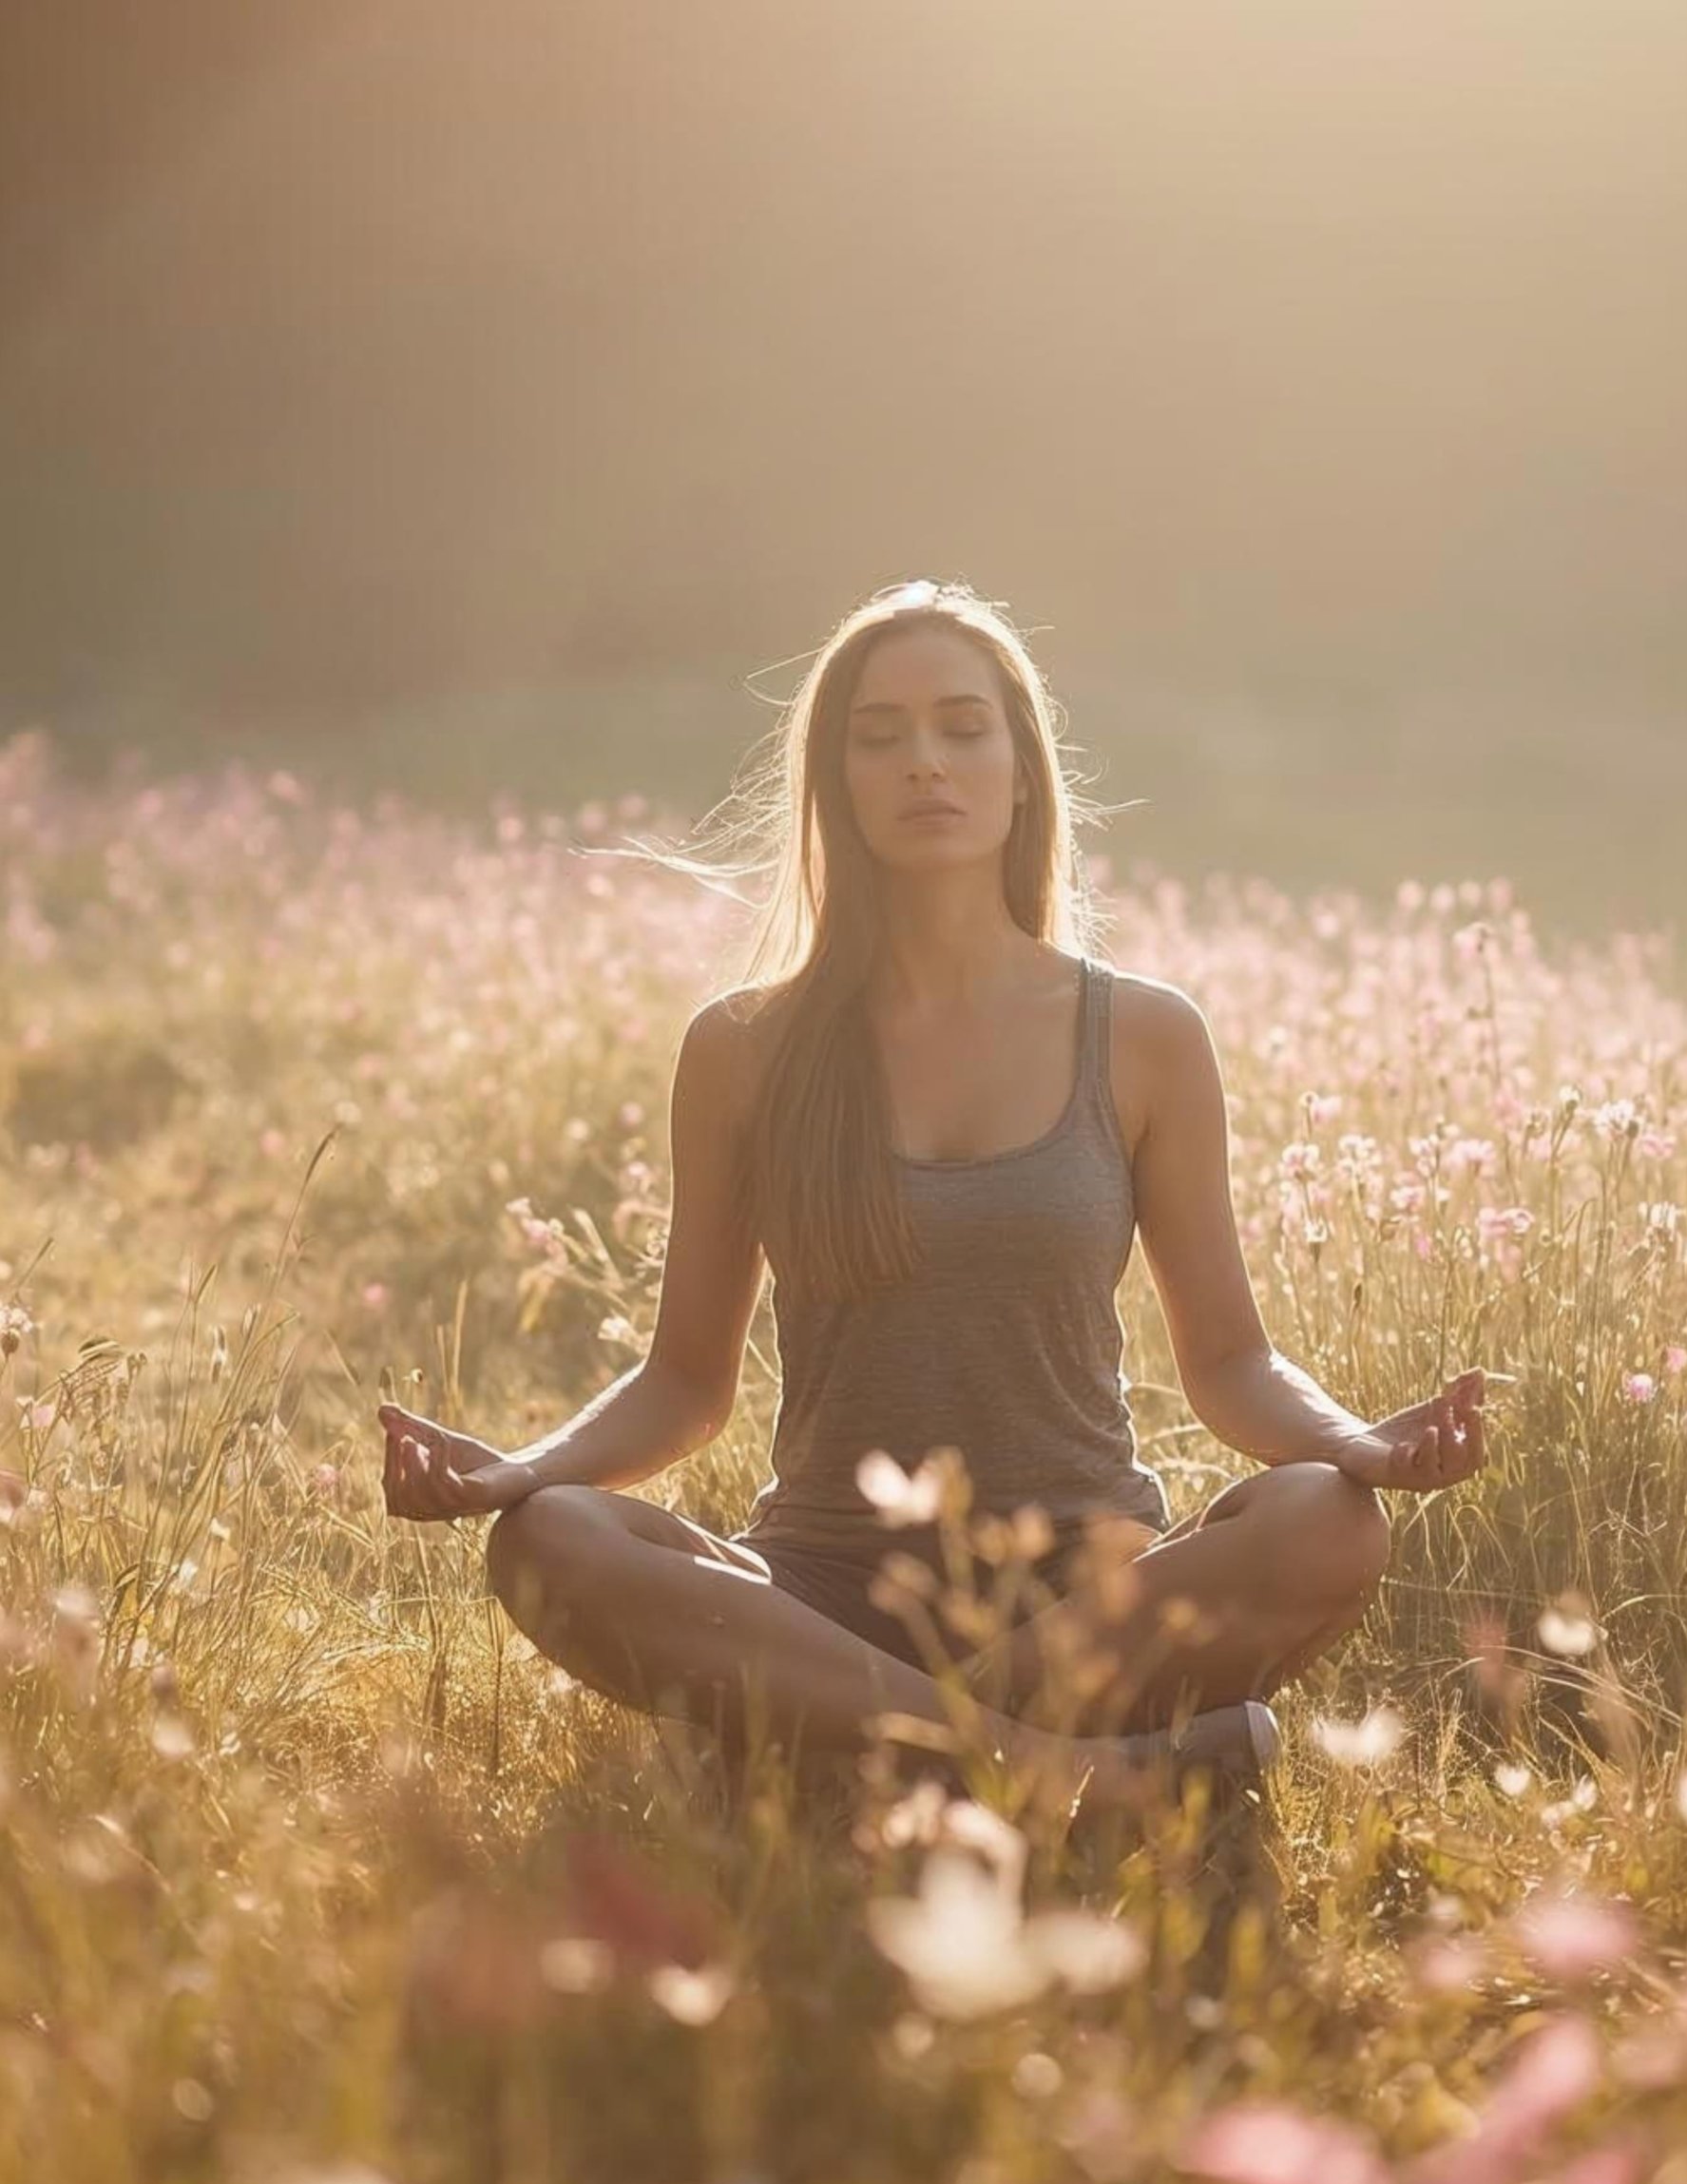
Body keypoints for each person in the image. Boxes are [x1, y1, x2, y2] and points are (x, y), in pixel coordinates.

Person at [377, 577, 1487, 1810]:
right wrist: (513, 1474)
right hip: (824, 1589)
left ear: (1023, 767)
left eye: (963, 727)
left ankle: (846, 1743)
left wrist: (1355, 1445)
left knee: (1327, 1523)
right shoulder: (745, 1048)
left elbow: (1229, 1361)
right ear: (836, 780)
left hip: (1080, 1596)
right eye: (880, 734)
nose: (924, 762)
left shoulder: (1143, 1036)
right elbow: (685, 1386)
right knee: (549, 1542)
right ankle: (1074, 1779)